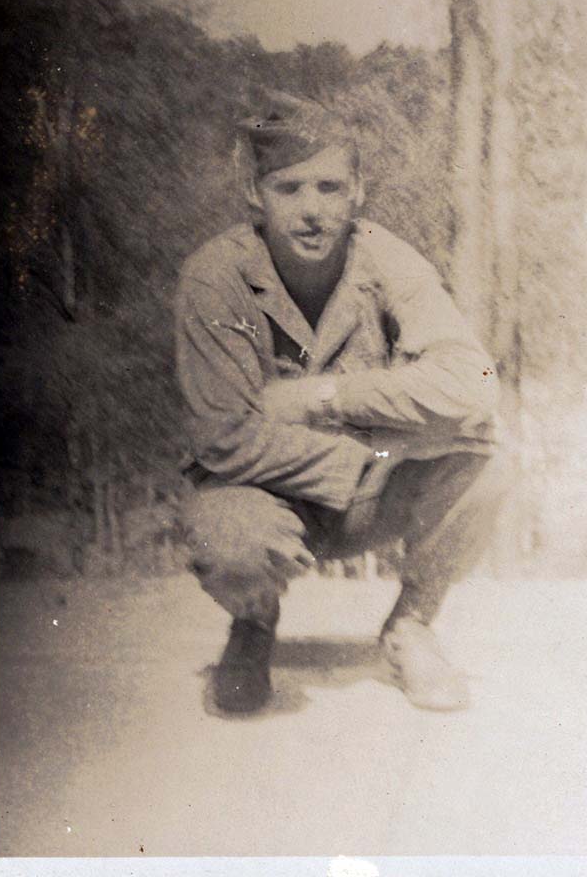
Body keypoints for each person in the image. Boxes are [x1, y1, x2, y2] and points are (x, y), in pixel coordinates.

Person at [175, 89, 500, 715]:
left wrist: (321, 396)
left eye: (329, 188)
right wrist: (368, 454)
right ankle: (253, 625)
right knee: (230, 541)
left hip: (370, 489)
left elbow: (474, 381)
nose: (311, 211)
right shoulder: (215, 276)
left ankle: (410, 627)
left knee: (489, 461)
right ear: (255, 194)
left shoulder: (386, 257)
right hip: (261, 496)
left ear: (357, 192)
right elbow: (222, 437)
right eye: (289, 188)